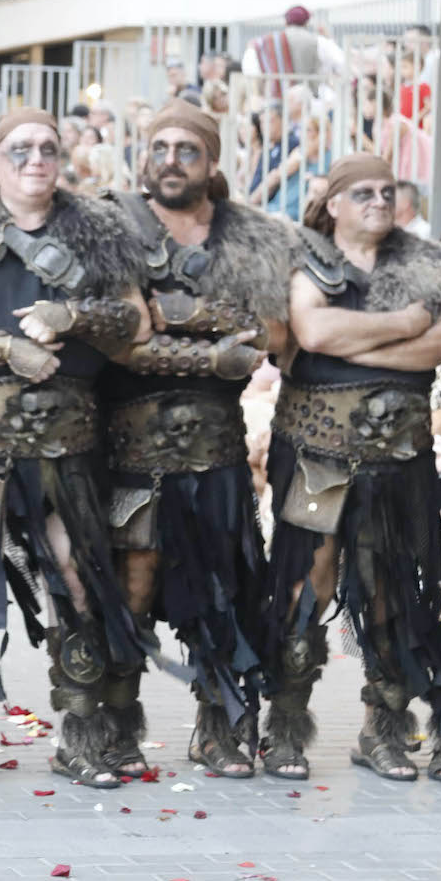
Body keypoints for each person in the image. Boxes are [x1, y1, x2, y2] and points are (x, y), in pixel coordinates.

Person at [0, 108, 159, 790]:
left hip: (68, 438)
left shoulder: (97, 227)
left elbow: (135, 323)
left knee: (76, 581)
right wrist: (5, 348)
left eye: (48, 148)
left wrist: (71, 315)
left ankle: (81, 735)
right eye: (19, 148)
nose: (35, 159)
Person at [102, 101, 291, 778]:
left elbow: (271, 333)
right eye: (161, 146)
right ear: (143, 155)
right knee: (133, 584)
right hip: (128, 440)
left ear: (212, 164)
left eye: (189, 148)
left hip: (217, 443)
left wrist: (175, 315)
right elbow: (118, 335)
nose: (173, 158)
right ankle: (114, 725)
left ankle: (220, 726)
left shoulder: (252, 236)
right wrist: (215, 337)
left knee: (224, 584)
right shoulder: (113, 222)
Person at [267, 154, 441, 783]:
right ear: (333, 203)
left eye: (387, 191)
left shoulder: (425, 262)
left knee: (392, 594)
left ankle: (383, 731)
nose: (379, 201)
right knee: (307, 586)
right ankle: (287, 729)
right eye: (363, 193)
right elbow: (314, 331)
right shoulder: (303, 256)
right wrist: (405, 325)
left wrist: (366, 336)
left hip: (397, 458)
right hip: (315, 451)